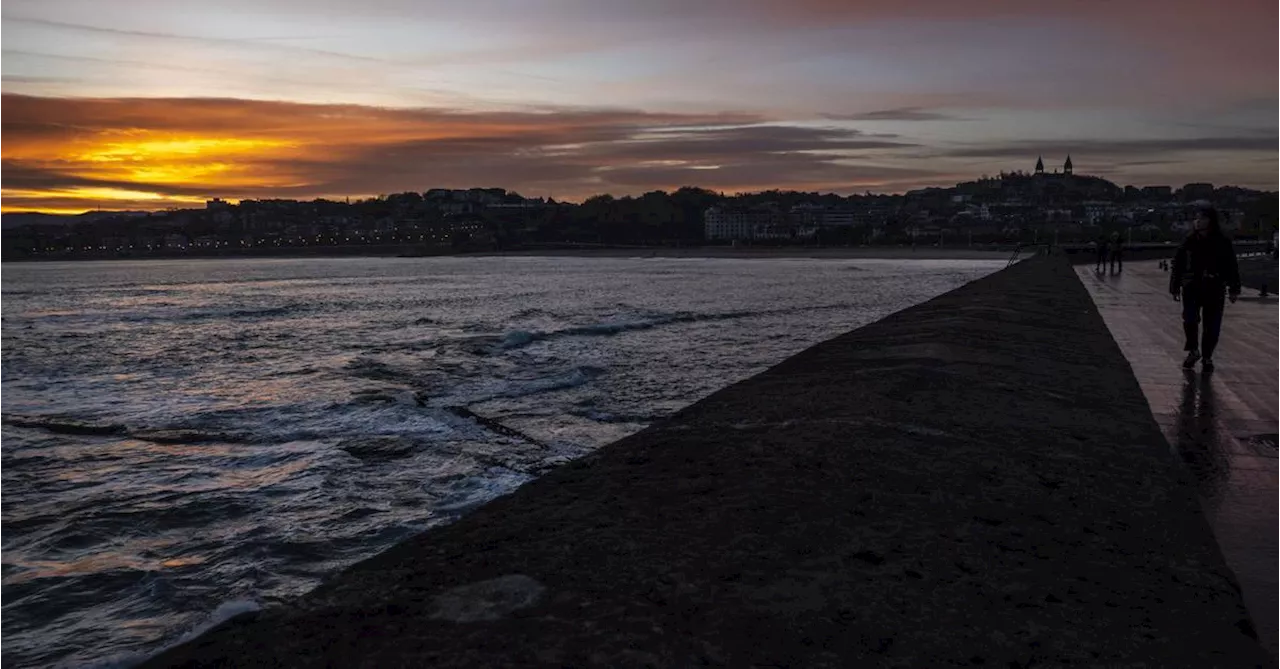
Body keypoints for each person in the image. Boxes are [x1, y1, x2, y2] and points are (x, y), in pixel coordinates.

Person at [1169, 206, 1241, 370]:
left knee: (1212, 324)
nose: (1197, 221)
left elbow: (1231, 265)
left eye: (1201, 218)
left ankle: (1207, 356)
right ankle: (1193, 350)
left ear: (1210, 221)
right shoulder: (1189, 241)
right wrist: (1175, 286)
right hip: (1192, 286)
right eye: (1196, 218)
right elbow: (1178, 264)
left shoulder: (1222, 242)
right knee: (1190, 319)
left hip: (1214, 286)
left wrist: (1234, 288)